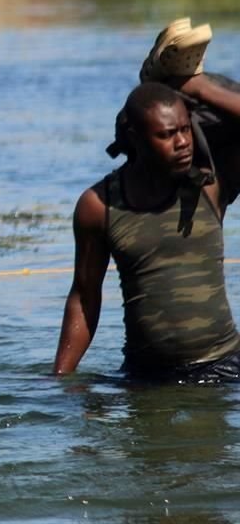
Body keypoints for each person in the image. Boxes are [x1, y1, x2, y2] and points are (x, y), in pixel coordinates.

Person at [53, 77, 240, 381]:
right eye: (167, 134)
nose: (182, 142)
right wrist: (60, 377)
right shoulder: (99, 205)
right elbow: (85, 295)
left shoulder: (210, 182)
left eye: (185, 129)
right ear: (135, 138)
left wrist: (199, 86)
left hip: (225, 367)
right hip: (146, 377)